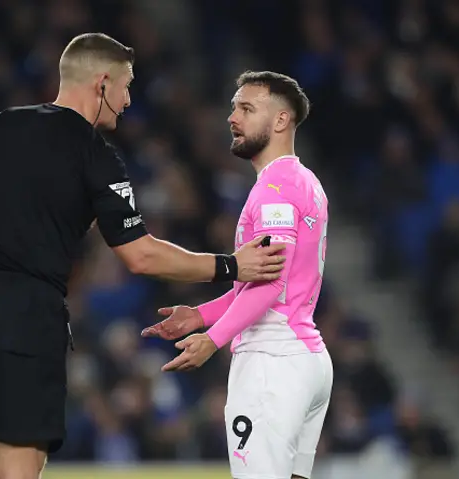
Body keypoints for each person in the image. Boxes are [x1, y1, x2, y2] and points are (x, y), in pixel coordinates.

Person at [0, 34, 287, 479]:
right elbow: (141, 255)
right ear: (101, 83)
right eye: (125, 87)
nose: (126, 102)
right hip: (29, 313)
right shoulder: (95, 155)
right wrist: (231, 265)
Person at [142, 71, 333, 479]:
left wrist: (212, 340)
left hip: (272, 363)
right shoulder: (306, 182)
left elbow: (269, 283)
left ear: (281, 120)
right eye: (233, 107)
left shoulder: (274, 190)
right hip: (308, 359)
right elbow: (265, 281)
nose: (232, 117)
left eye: (246, 108)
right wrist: (199, 315)